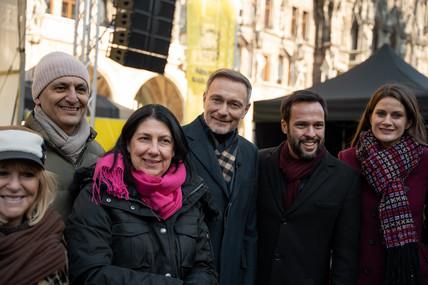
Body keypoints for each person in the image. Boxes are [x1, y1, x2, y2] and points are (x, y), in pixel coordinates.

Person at [65, 104, 219, 284]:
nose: (154, 150)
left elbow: (205, 268)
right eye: (144, 139)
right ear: (128, 144)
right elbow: (89, 273)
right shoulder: (98, 193)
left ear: (174, 149)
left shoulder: (191, 195)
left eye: (164, 141)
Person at [257, 90, 362, 284]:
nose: (311, 134)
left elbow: (345, 256)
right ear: (284, 126)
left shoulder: (346, 179)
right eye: (302, 125)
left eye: (318, 125)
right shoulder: (258, 163)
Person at [338, 83, 428, 285]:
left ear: (409, 121)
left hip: (407, 272)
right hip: (358, 274)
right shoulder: (348, 159)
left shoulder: (425, 160)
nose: (387, 122)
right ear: (370, 117)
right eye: (381, 114)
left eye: (396, 115)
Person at [182, 69, 258, 285]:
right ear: (205, 99)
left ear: (246, 110)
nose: (223, 111)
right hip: (187, 273)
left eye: (234, 104)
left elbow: (249, 228)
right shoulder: (176, 142)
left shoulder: (250, 152)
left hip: (233, 274)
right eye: (217, 100)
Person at [25, 51, 104, 220]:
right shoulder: (21, 147)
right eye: (61, 88)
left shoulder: (98, 152)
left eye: (81, 89)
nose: (73, 98)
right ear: (38, 96)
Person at [0, 126, 68, 284]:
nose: (15, 186)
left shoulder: (52, 234)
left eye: (27, 174)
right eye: (2, 173)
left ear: (40, 183)